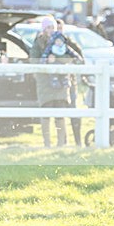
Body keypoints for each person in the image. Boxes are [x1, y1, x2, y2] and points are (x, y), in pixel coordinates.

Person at [30, 16, 79, 147]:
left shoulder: (61, 40)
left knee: (60, 114)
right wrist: (46, 61)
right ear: (44, 29)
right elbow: (33, 60)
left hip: (61, 82)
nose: (51, 30)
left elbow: (70, 57)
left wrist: (57, 59)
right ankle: (47, 144)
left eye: (53, 27)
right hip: (45, 83)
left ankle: (60, 144)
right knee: (45, 114)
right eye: (48, 27)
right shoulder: (38, 43)